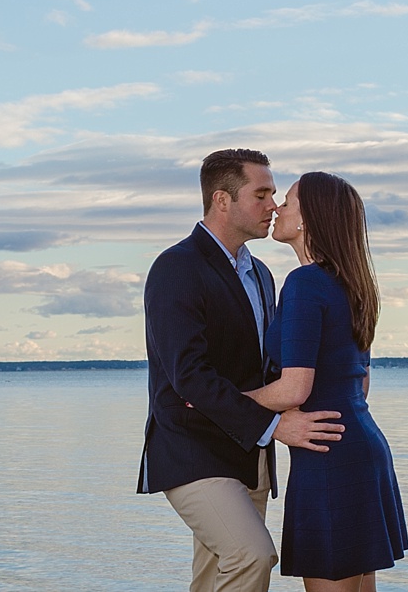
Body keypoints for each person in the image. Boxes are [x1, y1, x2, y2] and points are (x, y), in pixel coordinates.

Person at [140, 149, 347, 592]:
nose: (272, 205)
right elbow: (189, 377)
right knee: (252, 555)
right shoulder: (176, 267)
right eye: (262, 194)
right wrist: (274, 425)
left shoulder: (262, 274)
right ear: (222, 200)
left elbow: (266, 369)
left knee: (215, 574)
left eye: (274, 194)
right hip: (192, 450)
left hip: (250, 457)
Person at [246, 171, 408, 592]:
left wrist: (228, 401)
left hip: (327, 455)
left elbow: (295, 389)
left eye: (289, 201)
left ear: (309, 219)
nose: (278, 207)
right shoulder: (354, 284)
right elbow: (362, 383)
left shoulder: (304, 283)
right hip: (358, 442)